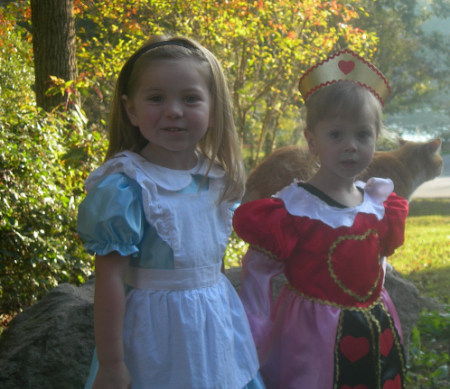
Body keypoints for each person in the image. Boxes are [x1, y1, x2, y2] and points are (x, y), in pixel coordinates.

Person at [77, 34, 265, 389]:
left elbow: (212, 267)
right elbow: (111, 280)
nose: (174, 110)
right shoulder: (126, 186)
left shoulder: (216, 179)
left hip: (214, 333)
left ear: (213, 109)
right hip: (154, 339)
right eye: (156, 98)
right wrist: (112, 362)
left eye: (191, 98)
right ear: (131, 109)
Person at [233, 50, 409, 389]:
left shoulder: (378, 203)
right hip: (310, 336)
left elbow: (377, 261)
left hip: (374, 326)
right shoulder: (294, 211)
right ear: (312, 141)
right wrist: (252, 329)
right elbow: (257, 272)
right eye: (336, 135)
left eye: (362, 135)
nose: (351, 147)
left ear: (377, 139)